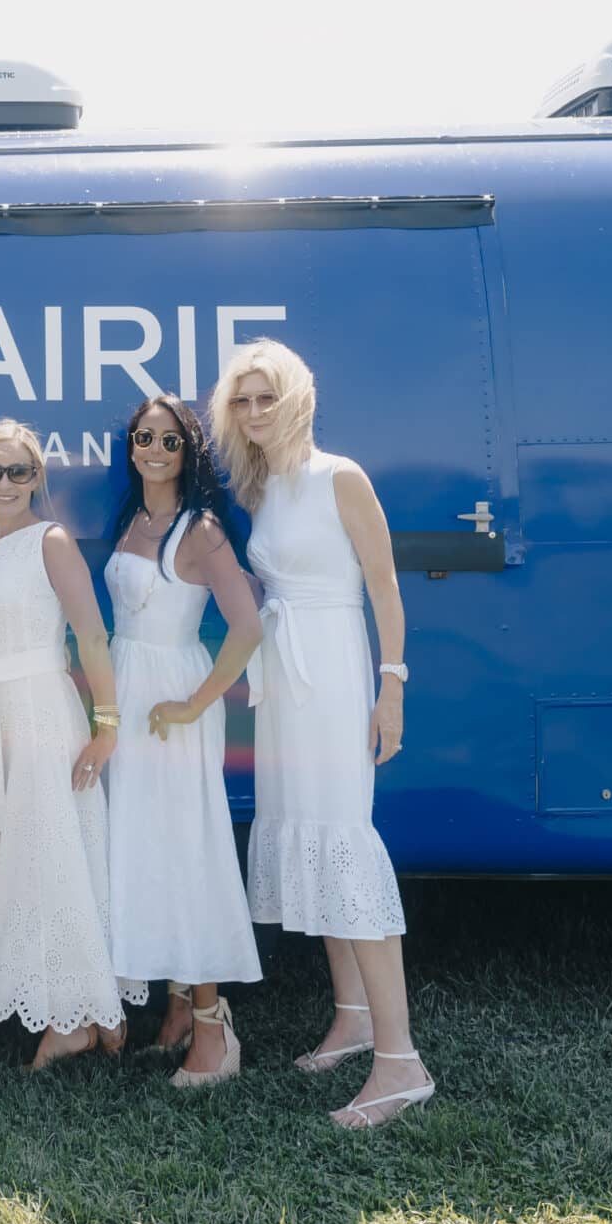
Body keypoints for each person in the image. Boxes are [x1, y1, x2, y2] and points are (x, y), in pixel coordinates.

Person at [209, 338, 434, 1130]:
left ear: (298, 397)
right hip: (286, 686)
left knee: (342, 839)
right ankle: (354, 1017)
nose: (254, 411)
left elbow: (384, 588)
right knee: (309, 839)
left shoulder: (343, 476)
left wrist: (392, 689)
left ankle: (401, 1063)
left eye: (267, 396)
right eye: (242, 400)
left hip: (334, 675)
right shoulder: (265, 486)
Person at [0, 419, 141, 1069]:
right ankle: (77, 1008)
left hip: (41, 713)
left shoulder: (52, 541)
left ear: (36, 477)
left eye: (16, 472)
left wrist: (107, 724)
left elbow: (91, 635)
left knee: (55, 853)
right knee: (22, 859)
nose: (3, 484)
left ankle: (81, 1015)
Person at [105, 394, 264, 1088]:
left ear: (186, 451)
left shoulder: (199, 530)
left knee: (185, 851)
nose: (154, 450)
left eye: (170, 442)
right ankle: (173, 1013)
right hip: (131, 691)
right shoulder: (134, 519)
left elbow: (248, 626)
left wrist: (195, 705)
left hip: (173, 702)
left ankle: (213, 1029)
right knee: (143, 849)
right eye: (145, 437)